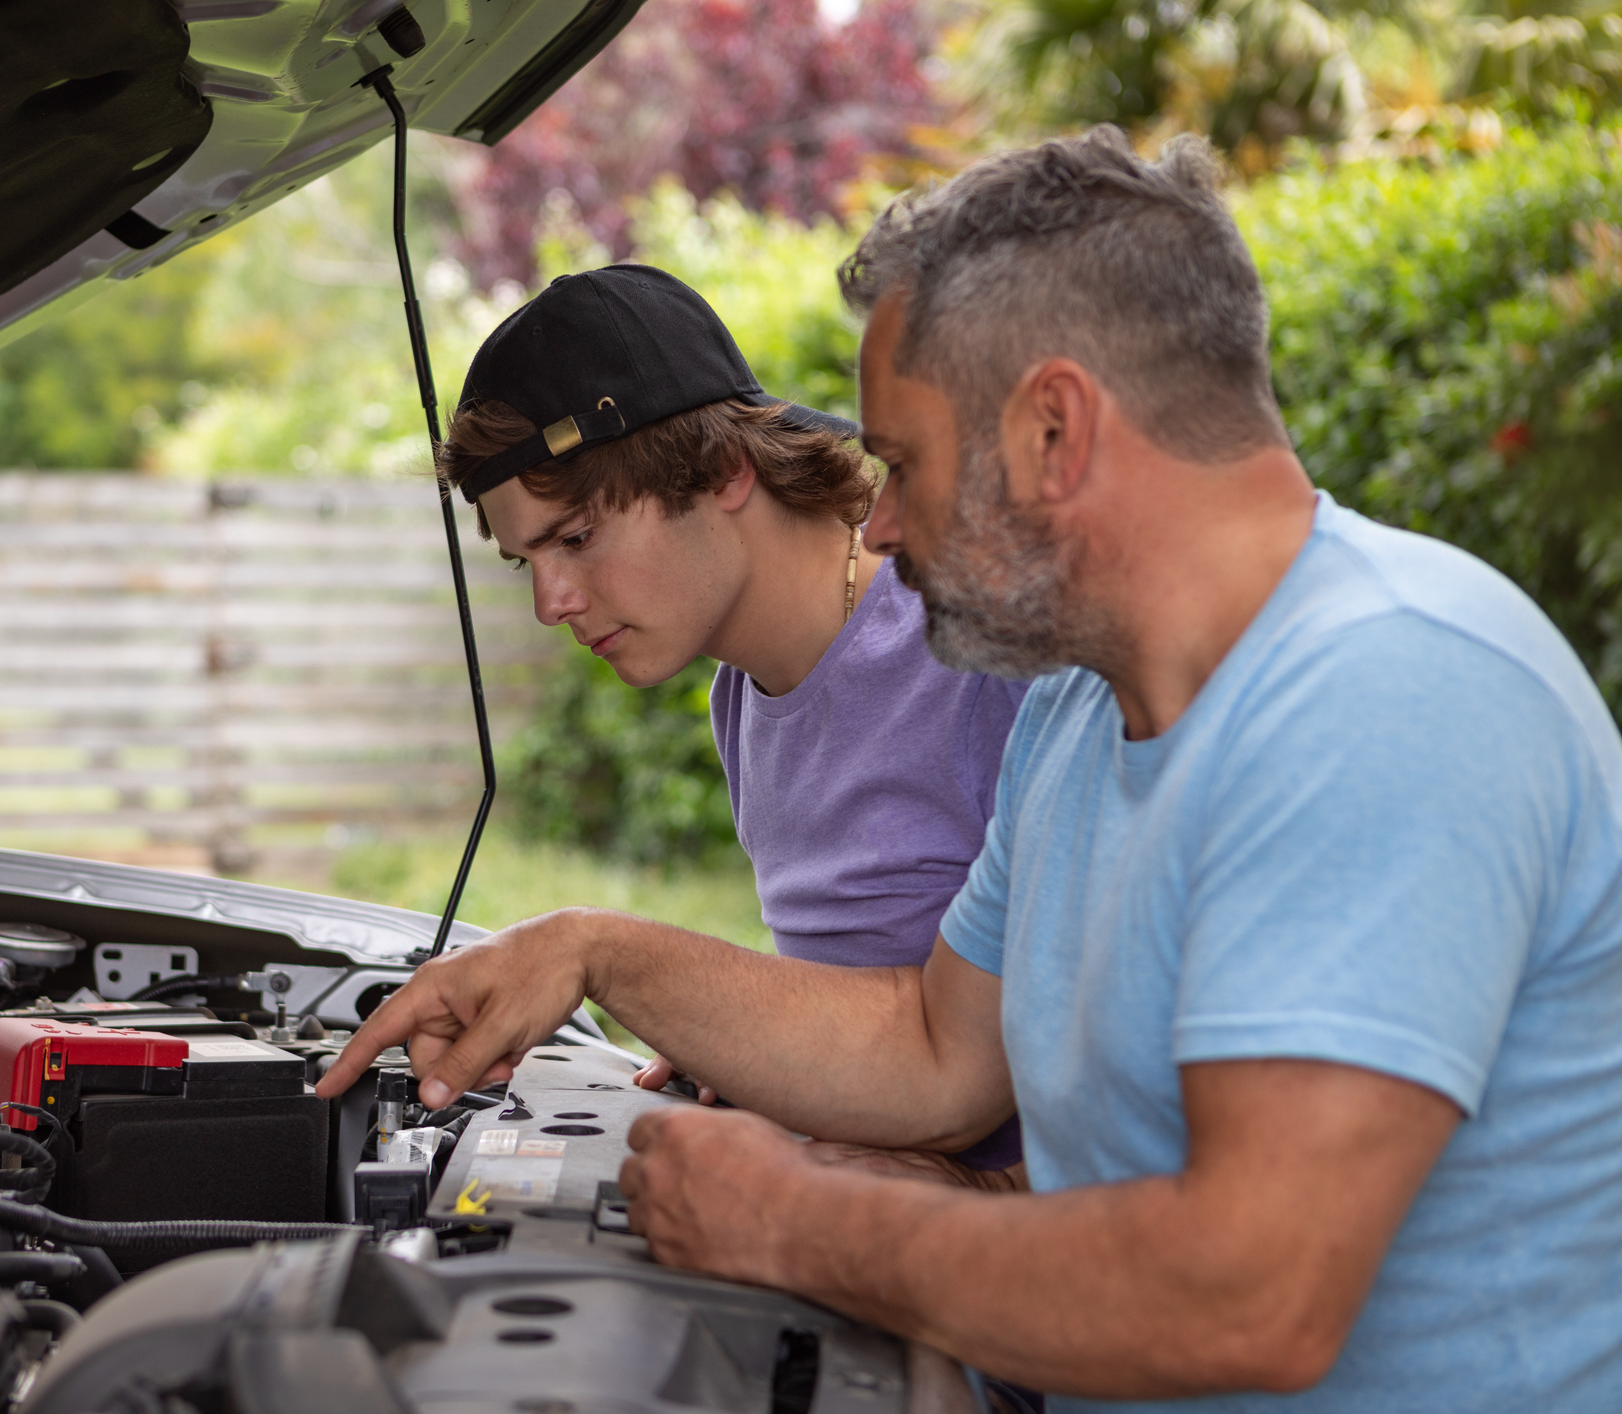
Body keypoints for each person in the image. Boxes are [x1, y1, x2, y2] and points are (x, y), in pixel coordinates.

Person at [322, 126, 1622, 1410]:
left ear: (1054, 429)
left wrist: (798, 1221)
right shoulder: (1074, 710)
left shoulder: (1382, 694)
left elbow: (1247, 1293)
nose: (874, 522)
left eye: (902, 464)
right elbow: (938, 1048)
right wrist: (595, 952)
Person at [437, 264, 1024, 1167]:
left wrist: (985, 1206)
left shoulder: (986, 656)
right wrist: (749, 1027)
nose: (549, 604)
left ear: (723, 469)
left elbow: (1124, 1061)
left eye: (578, 537)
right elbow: (868, 979)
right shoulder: (741, 702)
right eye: (527, 562)